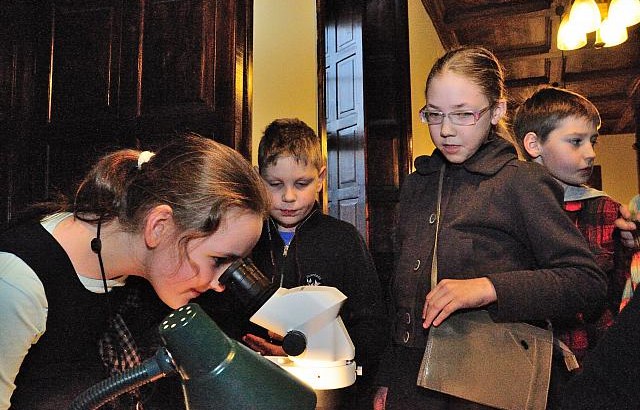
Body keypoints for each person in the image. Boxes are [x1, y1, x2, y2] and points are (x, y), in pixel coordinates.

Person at [373, 46, 606, 410]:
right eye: (434, 115)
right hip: (410, 385)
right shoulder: (417, 185)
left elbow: (585, 282)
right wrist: (387, 378)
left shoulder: (521, 181)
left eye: (463, 114)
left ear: (497, 110)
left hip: (484, 387)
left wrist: (488, 288)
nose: (446, 130)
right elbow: (400, 289)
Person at [0, 133, 271, 410]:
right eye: (217, 261)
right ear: (158, 226)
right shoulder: (17, 283)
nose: (219, 284)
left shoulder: (132, 276)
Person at [238, 118, 387, 409]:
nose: (289, 196)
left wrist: (302, 349)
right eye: (275, 184)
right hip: (254, 385)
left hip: (326, 393)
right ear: (258, 179)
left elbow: (371, 324)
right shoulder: (245, 240)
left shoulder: (343, 240)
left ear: (321, 179)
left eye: (302, 183)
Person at [512, 86, 629, 367]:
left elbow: (619, 293)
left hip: (593, 357)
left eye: (593, 141)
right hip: (528, 361)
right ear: (534, 145)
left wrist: (632, 247)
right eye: (576, 141)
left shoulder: (606, 209)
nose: (590, 153)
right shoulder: (512, 208)